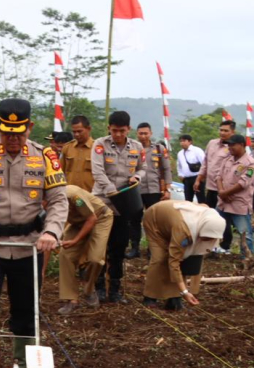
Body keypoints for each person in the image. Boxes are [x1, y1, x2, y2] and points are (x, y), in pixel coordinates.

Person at [0, 98, 67, 367]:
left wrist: (51, 232)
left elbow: (59, 199)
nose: (13, 138)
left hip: (29, 245)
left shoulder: (45, 157)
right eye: (7, 132)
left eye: (19, 133)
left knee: (27, 313)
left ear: (29, 127)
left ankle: (23, 361)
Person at [91, 111, 145, 304]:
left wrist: (137, 177)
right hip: (102, 203)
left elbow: (142, 168)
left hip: (124, 204)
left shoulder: (137, 147)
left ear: (128, 129)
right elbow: (97, 171)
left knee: (119, 246)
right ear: (109, 128)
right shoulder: (100, 145)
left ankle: (115, 289)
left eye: (122, 131)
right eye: (114, 131)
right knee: (99, 247)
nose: (118, 135)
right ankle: (97, 288)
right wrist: (112, 191)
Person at [141, 200, 224, 310]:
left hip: (173, 221)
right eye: (205, 238)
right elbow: (174, 261)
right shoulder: (184, 230)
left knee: (185, 258)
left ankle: (174, 297)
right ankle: (150, 297)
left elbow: (204, 205)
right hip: (155, 220)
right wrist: (185, 292)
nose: (207, 240)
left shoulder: (211, 219)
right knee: (160, 258)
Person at [57, 185, 113, 315]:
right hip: (78, 222)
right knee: (65, 255)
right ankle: (71, 300)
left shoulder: (73, 196)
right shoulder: (47, 200)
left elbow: (92, 218)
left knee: (95, 259)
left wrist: (75, 240)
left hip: (100, 218)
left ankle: (88, 290)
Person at [128, 123, 173, 259]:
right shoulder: (131, 148)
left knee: (153, 221)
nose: (143, 136)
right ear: (137, 134)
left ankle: (152, 249)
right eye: (140, 133)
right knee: (134, 220)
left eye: (145, 133)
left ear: (151, 133)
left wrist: (167, 190)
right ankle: (134, 248)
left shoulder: (159, 149)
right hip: (136, 189)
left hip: (154, 189)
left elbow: (166, 170)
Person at [195, 120, 236, 254]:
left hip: (225, 189)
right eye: (221, 130)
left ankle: (226, 245)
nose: (222, 133)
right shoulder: (212, 143)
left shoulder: (233, 147)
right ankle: (212, 245)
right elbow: (205, 163)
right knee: (211, 216)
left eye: (226, 131)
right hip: (210, 186)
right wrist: (199, 178)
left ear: (232, 132)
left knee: (224, 218)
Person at [216, 134, 254, 256]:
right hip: (223, 203)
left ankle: (248, 258)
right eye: (228, 145)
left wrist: (225, 192)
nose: (230, 147)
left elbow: (243, 183)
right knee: (212, 227)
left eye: (232, 144)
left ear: (242, 145)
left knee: (245, 234)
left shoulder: (251, 163)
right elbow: (218, 177)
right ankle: (214, 251)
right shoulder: (227, 160)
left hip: (239, 204)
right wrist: (221, 192)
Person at [59, 116, 95, 192]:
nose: (76, 134)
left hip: (90, 196)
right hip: (69, 195)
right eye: (74, 132)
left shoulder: (97, 149)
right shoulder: (67, 148)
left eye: (79, 131)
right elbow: (59, 172)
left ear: (89, 129)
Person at [177, 134, 205, 203]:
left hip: (197, 178)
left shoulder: (197, 150)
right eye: (181, 141)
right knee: (188, 200)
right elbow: (179, 166)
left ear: (190, 142)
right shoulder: (180, 153)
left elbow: (204, 163)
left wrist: (201, 178)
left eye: (184, 141)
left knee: (201, 199)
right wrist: (180, 175)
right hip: (186, 179)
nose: (182, 143)